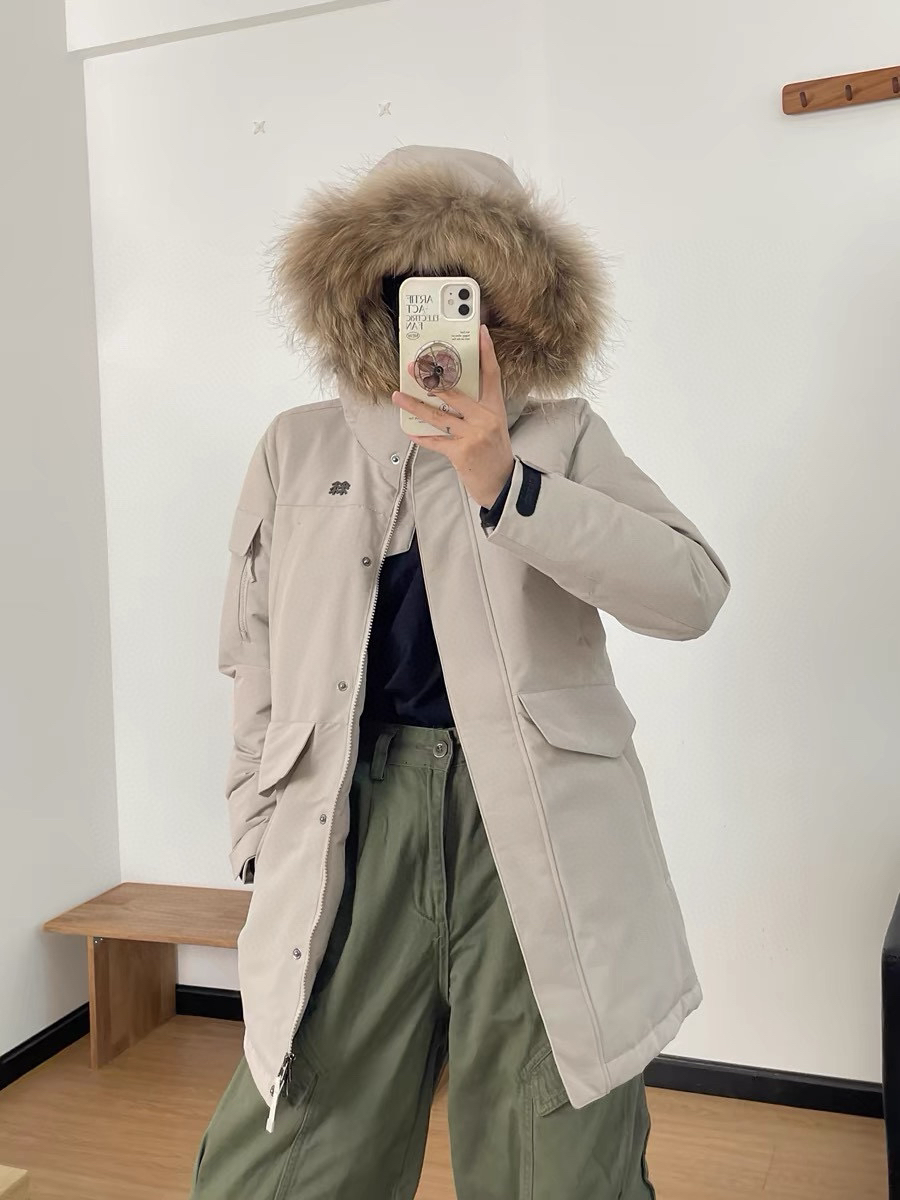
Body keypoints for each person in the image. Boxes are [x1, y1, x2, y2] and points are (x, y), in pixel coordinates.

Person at [189, 144, 731, 1199]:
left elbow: (692, 594)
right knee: (293, 1150)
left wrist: (504, 480)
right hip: (350, 813)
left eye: (463, 292)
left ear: (510, 308)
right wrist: (254, 820)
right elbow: (251, 650)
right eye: (408, 288)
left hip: (536, 823)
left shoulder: (562, 438)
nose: (431, 318)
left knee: (552, 1152)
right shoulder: (297, 446)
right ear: (366, 295)